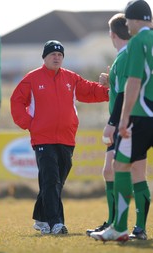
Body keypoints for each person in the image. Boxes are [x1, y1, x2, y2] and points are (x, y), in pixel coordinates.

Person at [91, 0, 153, 244]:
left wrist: (123, 119)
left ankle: (120, 227)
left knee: (120, 166)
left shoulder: (138, 42)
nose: (127, 26)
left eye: (127, 21)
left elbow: (133, 83)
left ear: (134, 20)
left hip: (144, 114)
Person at [10, 40, 109, 235]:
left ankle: (41, 218)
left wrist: (108, 90)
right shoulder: (32, 78)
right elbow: (16, 101)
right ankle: (56, 223)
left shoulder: (71, 78)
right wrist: (30, 124)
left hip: (66, 138)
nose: (56, 57)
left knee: (56, 182)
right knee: (50, 180)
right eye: (52, 54)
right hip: (42, 139)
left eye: (60, 54)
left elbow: (89, 91)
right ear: (44, 57)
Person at [86, 13, 150, 240]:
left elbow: (124, 95)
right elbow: (122, 87)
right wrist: (109, 80)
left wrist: (112, 124)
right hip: (131, 121)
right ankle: (116, 222)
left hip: (127, 123)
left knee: (130, 172)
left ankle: (128, 225)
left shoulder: (125, 57)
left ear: (112, 34)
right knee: (114, 170)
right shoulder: (124, 58)